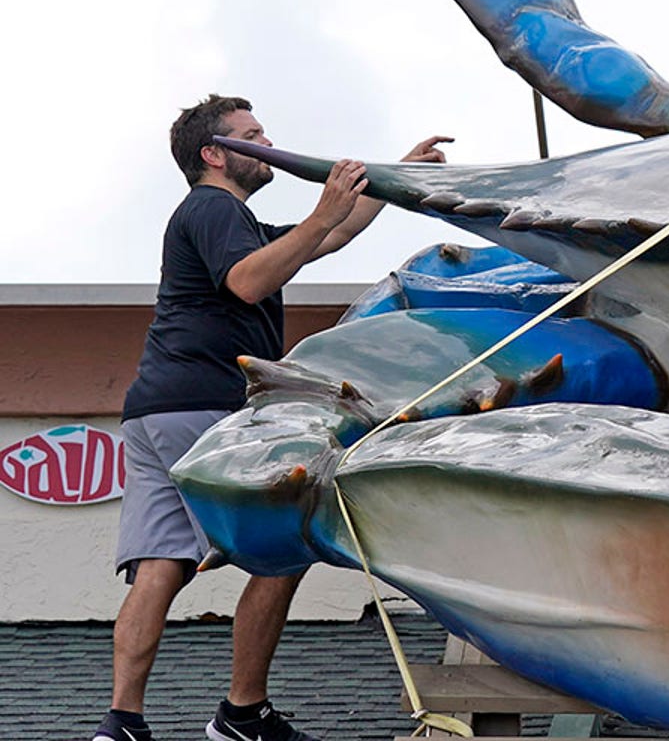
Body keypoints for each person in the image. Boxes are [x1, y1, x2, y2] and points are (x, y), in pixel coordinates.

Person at [95, 95, 450, 741]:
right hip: (207, 400)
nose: (268, 143)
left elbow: (332, 233)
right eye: (252, 135)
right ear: (216, 154)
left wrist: (395, 179)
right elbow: (249, 282)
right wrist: (319, 215)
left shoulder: (227, 220)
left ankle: (122, 723)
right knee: (284, 543)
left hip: (154, 412)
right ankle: (242, 712)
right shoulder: (213, 206)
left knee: (161, 565)